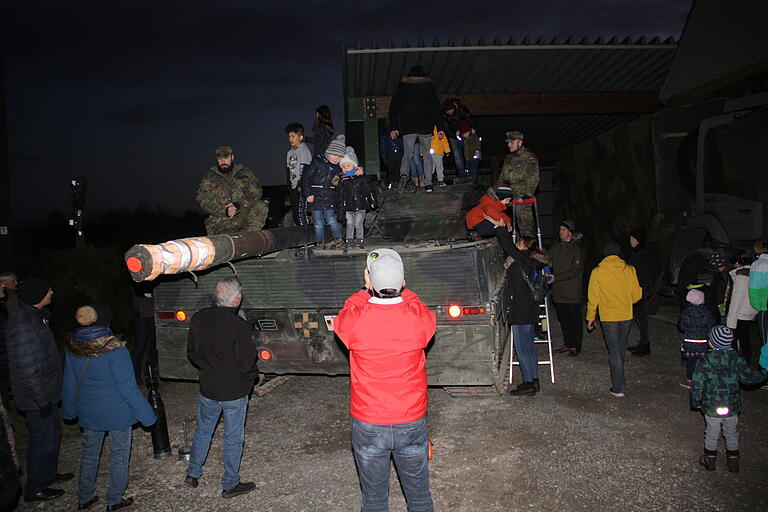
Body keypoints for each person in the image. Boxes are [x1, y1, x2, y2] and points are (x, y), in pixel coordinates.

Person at [334, 248, 436, 512]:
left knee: (375, 501)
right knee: (420, 498)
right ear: (402, 282)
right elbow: (419, 305)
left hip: (369, 421)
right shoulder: (418, 319)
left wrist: (364, 290)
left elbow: (344, 315)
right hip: (411, 420)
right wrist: (403, 289)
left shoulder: (355, 321)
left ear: (369, 279)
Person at [62, 303, 156, 511]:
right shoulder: (115, 351)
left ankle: (84, 496)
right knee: (120, 454)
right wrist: (148, 416)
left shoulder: (73, 348)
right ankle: (114, 499)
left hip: (89, 413)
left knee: (89, 454)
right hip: (117, 414)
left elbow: (69, 383)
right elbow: (128, 389)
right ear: (106, 322)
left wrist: (69, 411)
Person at [184, 277, 259, 499]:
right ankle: (229, 484)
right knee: (233, 436)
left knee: (204, 430)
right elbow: (247, 361)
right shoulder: (237, 325)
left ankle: (193, 473)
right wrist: (251, 379)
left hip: (208, 387)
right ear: (236, 300)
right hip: (233, 391)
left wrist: (208, 368)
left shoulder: (198, 318)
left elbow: (192, 352)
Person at [5, 278, 73, 502]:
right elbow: (27, 368)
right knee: (40, 442)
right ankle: (34, 488)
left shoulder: (37, 317)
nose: (52, 292)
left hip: (47, 393)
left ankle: (49, 475)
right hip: (37, 398)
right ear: (38, 295)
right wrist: (41, 399)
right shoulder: (22, 325)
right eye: (48, 290)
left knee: (52, 436)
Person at [486, 216, 550, 395]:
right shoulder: (531, 262)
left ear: (523, 246)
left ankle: (528, 383)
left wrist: (499, 229)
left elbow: (508, 246)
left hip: (522, 309)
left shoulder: (523, 259)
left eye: (519, 242)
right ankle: (534, 380)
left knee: (522, 348)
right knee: (529, 347)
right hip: (529, 309)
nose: (517, 244)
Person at [691, 325, 768, 472]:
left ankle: (710, 459)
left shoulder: (706, 359)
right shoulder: (737, 358)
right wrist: (765, 373)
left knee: (712, 432)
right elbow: (748, 378)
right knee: (731, 432)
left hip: (712, 405)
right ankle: (733, 461)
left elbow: (698, 383)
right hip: (731, 406)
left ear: (712, 341)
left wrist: (696, 402)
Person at [586, 243, 642, 397]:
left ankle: (618, 387)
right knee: (620, 347)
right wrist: (625, 301)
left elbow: (593, 297)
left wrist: (590, 317)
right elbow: (637, 295)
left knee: (614, 350)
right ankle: (620, 381)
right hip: (625, 314)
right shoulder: (629, 270)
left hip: (608, 316)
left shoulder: (597, 272)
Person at [388, 64, 445, 193]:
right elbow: (436, 108)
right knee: (426, 156)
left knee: (407, 154)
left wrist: (394, 127)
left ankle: (404, 175)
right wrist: (440, 127)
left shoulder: (403, 88)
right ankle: (429, 184)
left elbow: (394, 108)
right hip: (425, 125)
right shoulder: (429, 88)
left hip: (408, 126)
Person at [196, 145, 269, 235]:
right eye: (220, 159)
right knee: (224, 243)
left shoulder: (245, 173)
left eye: (226, 158)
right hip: (220, 221)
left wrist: (238, 205)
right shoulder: (209, 178)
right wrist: (225, 210)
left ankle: (248, 237)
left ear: (232, 157)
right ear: (216, 160)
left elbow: (256, 193)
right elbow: (202, 201)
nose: (223, 161)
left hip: (242, 215)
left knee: (261, 206)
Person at [302, 134, 346, 249]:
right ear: (328, 152)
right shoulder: (317, 161)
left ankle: (339, 241)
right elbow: (306, 178)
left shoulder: (338, 168)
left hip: (329, 198)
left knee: (332, 220)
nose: (336, 158)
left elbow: (349, 171)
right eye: (334, 155)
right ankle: (319, 243)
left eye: (339, 156)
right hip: (315, 198)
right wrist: (308, 194)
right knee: (318, 223)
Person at [549, 220, 585, 357]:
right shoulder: (556, 248)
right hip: (559, 292)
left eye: (563, 229)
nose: (560, 232)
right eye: (560, 229)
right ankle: (568, 344)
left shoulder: (576, 249)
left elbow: (575, 270)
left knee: (574, 320)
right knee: (563, 319)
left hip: (572, 292)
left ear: (570, 232)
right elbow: (547, 259)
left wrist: (556, 277)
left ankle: (576, 345)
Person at [496, 131, 539, 237]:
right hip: (508, 196)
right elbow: (502, 177)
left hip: (521, 197)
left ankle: (529, 251)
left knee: (525, 230)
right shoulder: (509, 158)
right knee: (502, 224)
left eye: (511, 142)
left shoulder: (529, 156)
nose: (508, 145)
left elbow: (534, 177)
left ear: (519, 142)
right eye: (508, 142)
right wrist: (494, 191)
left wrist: (527, 195)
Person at [678, 289, 718, 389]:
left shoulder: (686, 312)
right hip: (703, 342)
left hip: (689, 342)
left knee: (691, 361)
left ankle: (689, 380)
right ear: (701, 300)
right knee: (702, 361)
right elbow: (711, 324)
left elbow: (681, 326)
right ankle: (702, 379)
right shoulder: (706, 312)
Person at [725, 251, 758, 364]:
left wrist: (730, 323)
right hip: (749, 313)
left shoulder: (741, 277)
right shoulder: (753, 273)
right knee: (745, 340)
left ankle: (737, 366)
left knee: (737, 343)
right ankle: (746, 365)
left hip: (740, 315)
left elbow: (736, 301)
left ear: (738, 263)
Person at [338, 150, 376, 249]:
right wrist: (341, 208)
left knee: (358, 223)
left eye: (348, 166)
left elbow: (369, 189)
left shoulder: (362, 177)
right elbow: (341, 196)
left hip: (361, 205)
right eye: (343, 166)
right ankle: (349, 241)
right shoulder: (342, 181)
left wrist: (372, 201)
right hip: (349, 207)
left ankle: (359, 240)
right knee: (350, 223)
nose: (346, 169)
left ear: (355, 166)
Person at [627, 228, 654, 356]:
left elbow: (641, 275)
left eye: (633, 238)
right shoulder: (637, 253)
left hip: (639, 290)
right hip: (638, 289)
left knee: (641, 317)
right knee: (639, 317)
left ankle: (645, 344)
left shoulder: (641, 255)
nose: (630, 241)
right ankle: (643, 342)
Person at [285, 122, 313, 226]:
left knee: (302, 212)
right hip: (293, 186)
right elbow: (288, 170)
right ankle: (301, 233)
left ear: (300, 137)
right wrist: (290, 185)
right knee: (295, 212)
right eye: (289, 137)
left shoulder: (304, 151)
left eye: (293, 136)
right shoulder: (289, 153)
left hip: (302, 186)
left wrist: (301, 185)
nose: (290, 139)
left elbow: (305, 169)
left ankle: (307, 235)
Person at [442, 98, 478, 176]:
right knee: (457, 155)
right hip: (454, 135)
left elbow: (470, 120)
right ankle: (462, 174)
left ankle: (471, 174)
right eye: (447, 111)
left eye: (450, 110)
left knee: (469, 153)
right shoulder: (443, 115)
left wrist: (473, 130)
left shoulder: (462, 109)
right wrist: (455, 135)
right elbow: (446, 129)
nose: (449, 112)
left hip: (466, 133)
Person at [131, 283, 158, 384]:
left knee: (154, 347)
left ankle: (149, 372)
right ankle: (135, 376)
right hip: (142, 318)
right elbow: (139, 292)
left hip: (154, 317)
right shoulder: (138, 279)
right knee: (139, 348)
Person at [748, 240, 768, 354]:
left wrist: (758, 307)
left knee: (766, 343)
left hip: (765, 308)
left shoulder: (758, 264)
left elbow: (754, 290)